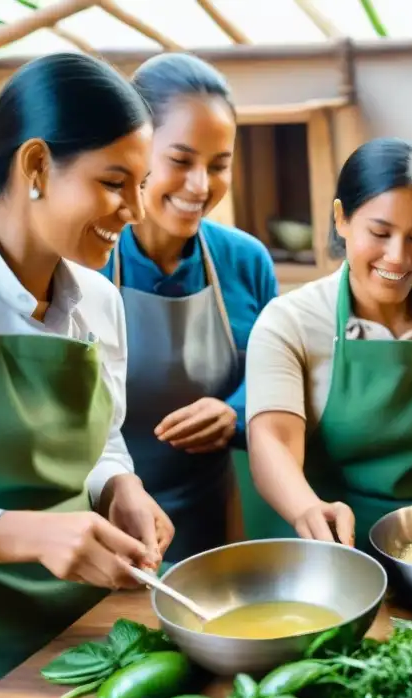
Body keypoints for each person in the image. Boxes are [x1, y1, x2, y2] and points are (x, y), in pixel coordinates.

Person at [0, 52, 173, 698]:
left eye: (142, 183)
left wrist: (118, 486)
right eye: (115, 182)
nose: (136, 210)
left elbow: (103, 438)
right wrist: (28, 532)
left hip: (84, 631)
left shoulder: (97, 296)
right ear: (36, 166)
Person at [244, 138, 412, 549]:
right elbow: (272, 441)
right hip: (330, 551)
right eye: (380, 232)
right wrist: (306, 509)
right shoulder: (290, 321)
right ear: (341, 219)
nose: (398, 257)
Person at [98, 53, 278, 562]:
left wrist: (234, 410)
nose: (201, 186)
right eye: (180, 161)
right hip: (99, 527)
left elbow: (278, 372)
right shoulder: (88, 261)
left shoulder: (245, 261)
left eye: (218, 165)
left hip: (210, 525)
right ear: (135, 151)